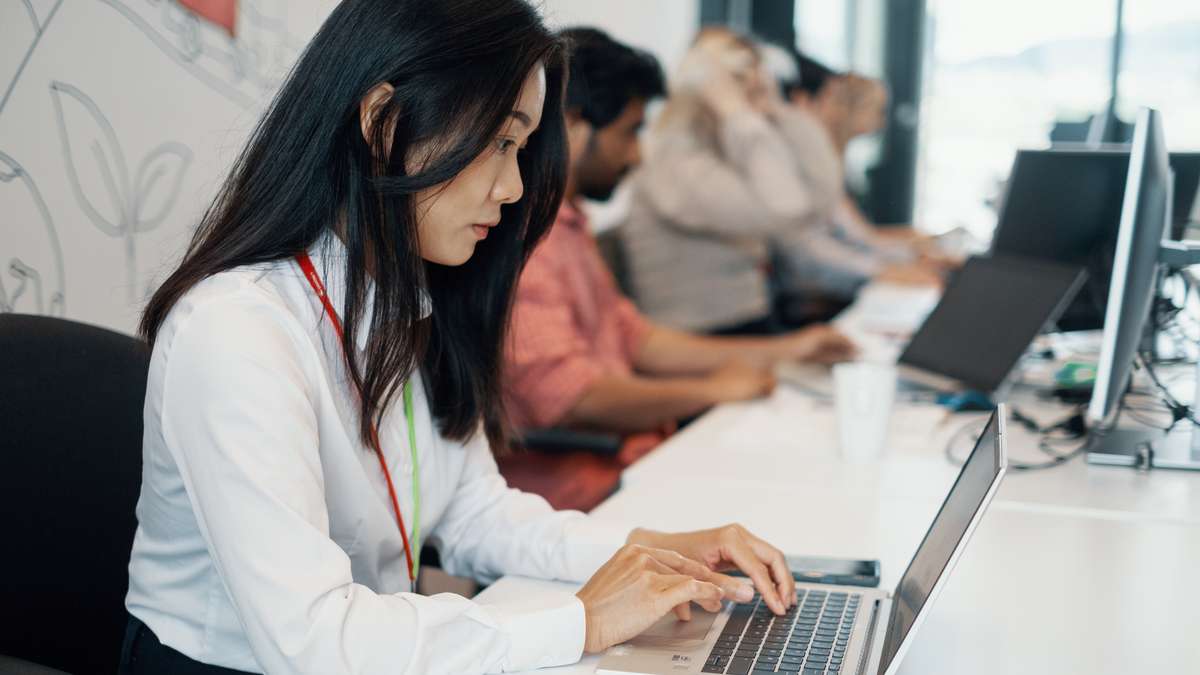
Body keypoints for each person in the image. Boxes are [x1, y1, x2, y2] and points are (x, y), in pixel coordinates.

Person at [122, 3, 799, 673]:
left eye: (523, 148)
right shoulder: (236, 329)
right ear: (385, 124)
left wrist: (651, 555)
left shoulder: (408, 296)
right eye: (501, 142)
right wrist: (581, 619)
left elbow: (476, 511)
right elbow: (313, 639)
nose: (512, 187)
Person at [504, 28, 856, 442]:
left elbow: (636, 338)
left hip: (639, 445)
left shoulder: (570, 221)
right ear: (574, 126)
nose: (638, 155)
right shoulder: (530, 239)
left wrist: (786, 350)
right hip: (595, 478)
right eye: (630, 133)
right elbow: (570, 397)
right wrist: (711, 391)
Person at [622, 27, 845, 334]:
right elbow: (787, 208)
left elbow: (820, 201)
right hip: (700, 339)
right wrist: (736, 112)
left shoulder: (724, 148)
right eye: (737, 81)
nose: (748, 94)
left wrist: (778, 110)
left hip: (746, 326)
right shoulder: (670, 159)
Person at [767, 47, 950, 308]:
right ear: (801, 101)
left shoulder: (822, 162)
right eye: (831, 99)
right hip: (811, 297)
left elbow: (857, 236)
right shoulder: (792, 163)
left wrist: (914, 254)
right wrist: (890, 265)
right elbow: (810, 249)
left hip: (830, 282)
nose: (835, 110)